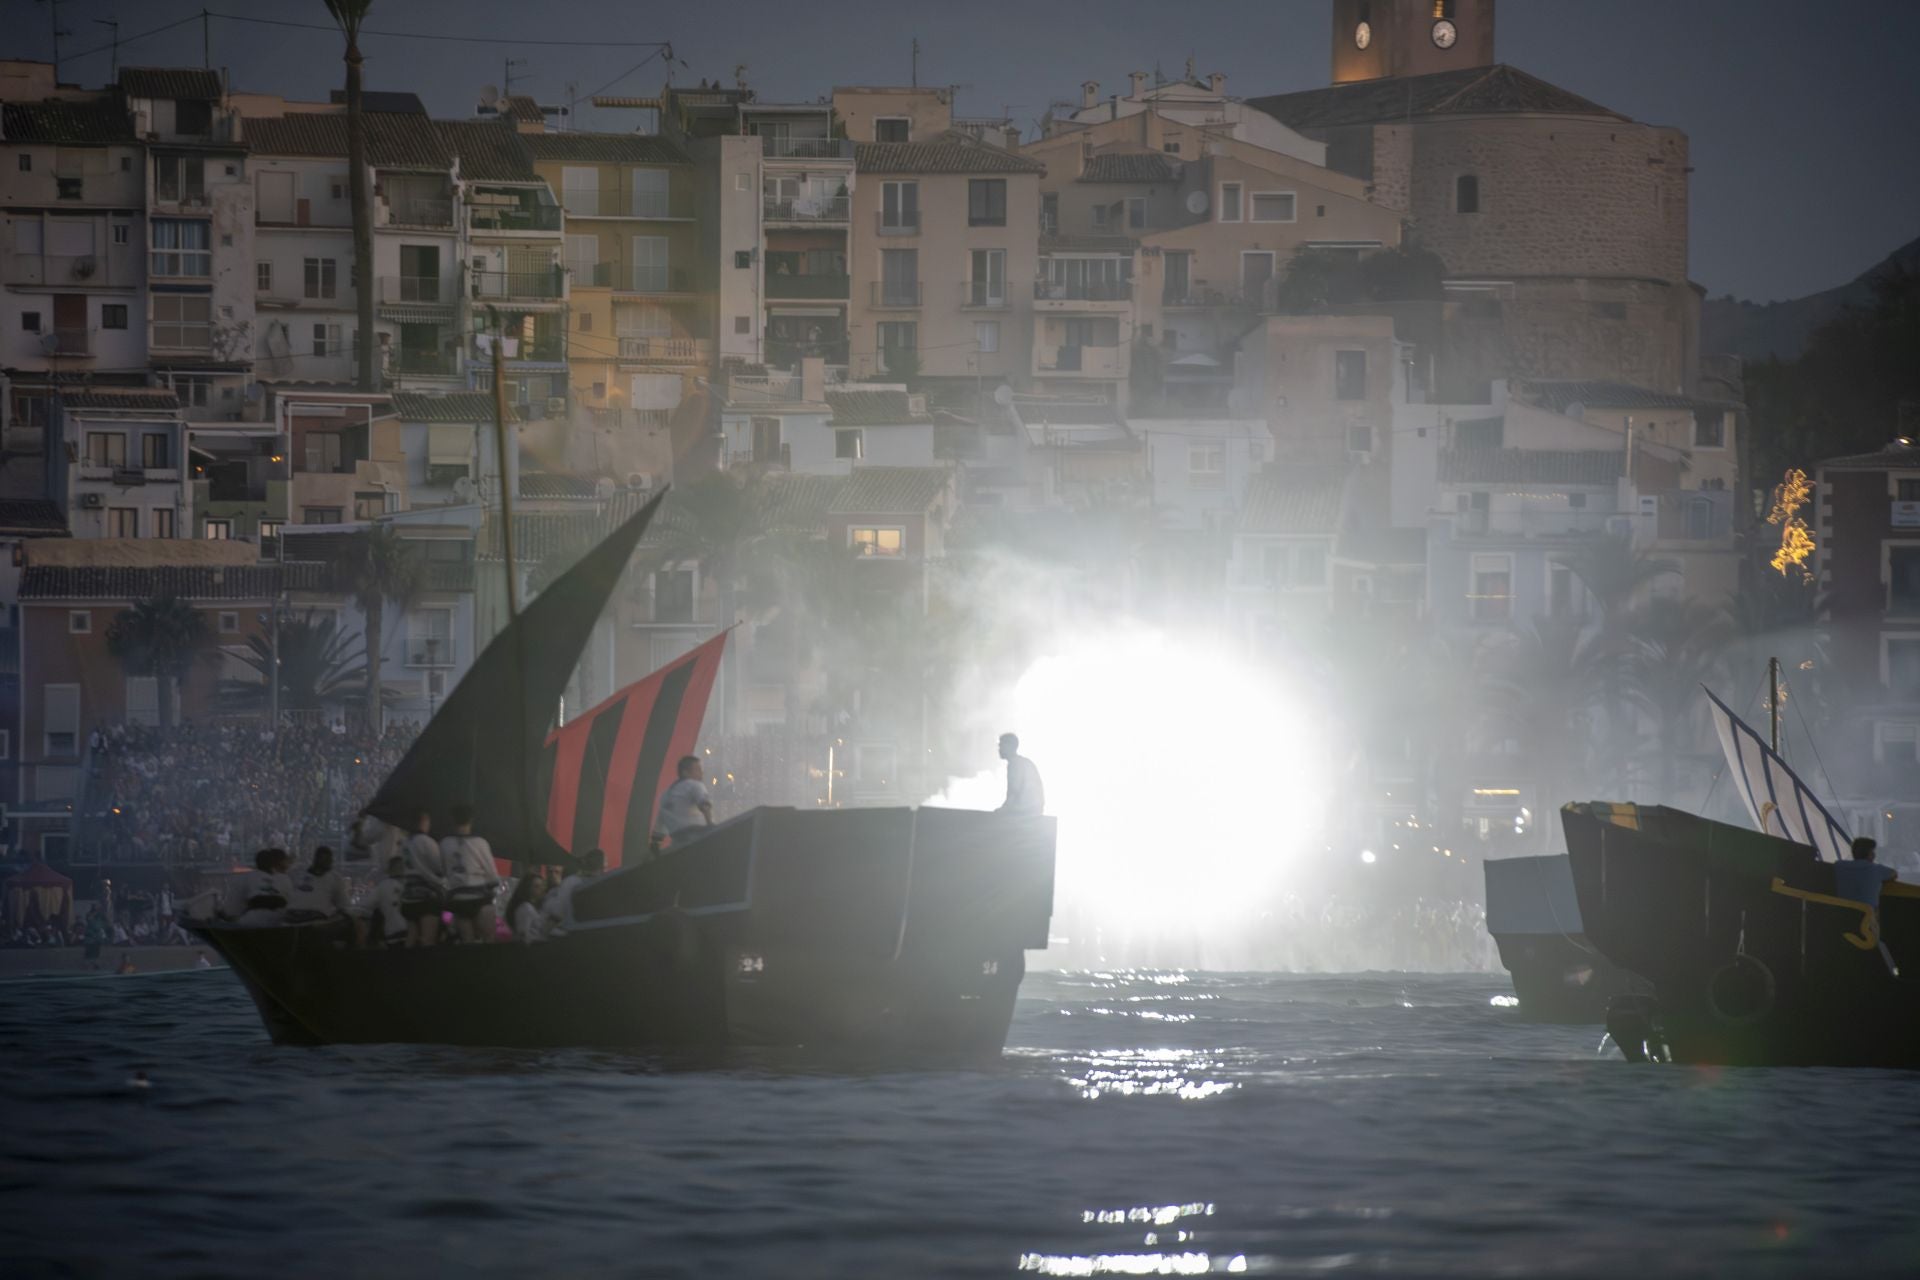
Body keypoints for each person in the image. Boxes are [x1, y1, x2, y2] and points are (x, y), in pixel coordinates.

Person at [440, 803, 502, 943]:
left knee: (467, 941)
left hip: (458, 898)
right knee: (489, 939)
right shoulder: (480, 843)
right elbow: (492, 874)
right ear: (471, 820)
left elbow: (443, 871)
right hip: (479, 897)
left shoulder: (445, 843)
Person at [400, 811, 447, 947]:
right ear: (424, 821)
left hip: (408, 896)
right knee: (428, 939)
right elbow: (439, 867)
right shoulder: (426, 841)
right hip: (427, 897)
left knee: (411, 936)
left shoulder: (405, 842)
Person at [222, 848, 294, 928]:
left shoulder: (246, 877)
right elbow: (289, 904)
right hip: (278, 921)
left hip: (252, 921)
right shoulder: (284, 879)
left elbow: (232, 910)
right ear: (274, 864)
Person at [542, 849, 605, 938]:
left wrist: (545, 931)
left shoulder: (572, 881)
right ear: (602, 867)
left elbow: (558, 912)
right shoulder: (602, 883)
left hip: (573, 932)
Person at [654, 756, 714, 848]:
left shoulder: (666, 794)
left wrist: (654, 845)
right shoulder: (695, 785)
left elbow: (659, 824)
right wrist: (710, 825)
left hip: (677, 841)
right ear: (685, 773)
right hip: (697, 836)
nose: (702, 772)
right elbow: (704, 804)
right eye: (698, 769)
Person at [286, 846, 352, 927]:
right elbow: (345, 907)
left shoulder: (299, 873)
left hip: (289, 919)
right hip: (314, 922)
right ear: (331, 861)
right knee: (347, 917)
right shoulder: (334, 877)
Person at [357, 854, 409, 949]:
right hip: (414, 934)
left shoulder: (383, 886)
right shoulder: (412, 885)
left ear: (389, 870)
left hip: (393, 934)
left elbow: (363, 907)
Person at [1835, 836, 1898, 911]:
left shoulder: (1839, 866)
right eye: (1873, 851)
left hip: (1843, 912)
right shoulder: (1876, 869)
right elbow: (1894, 874)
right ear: (1870, 853)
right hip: (1867, 916)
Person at [996, 733, 1045, 817]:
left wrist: (1003, 810)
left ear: (1010, 746)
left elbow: (1014, 792)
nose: (999, 749)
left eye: (1001, 745)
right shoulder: (1021, 762)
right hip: (1033, 809)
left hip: (1026, 810)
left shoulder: (1015, 764)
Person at [506, 874, 547, 944]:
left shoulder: (534, 907)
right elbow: (523, 936)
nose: (541, 889)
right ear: (528, 888)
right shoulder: (525, 908)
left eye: (542, 886)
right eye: (537, 886)